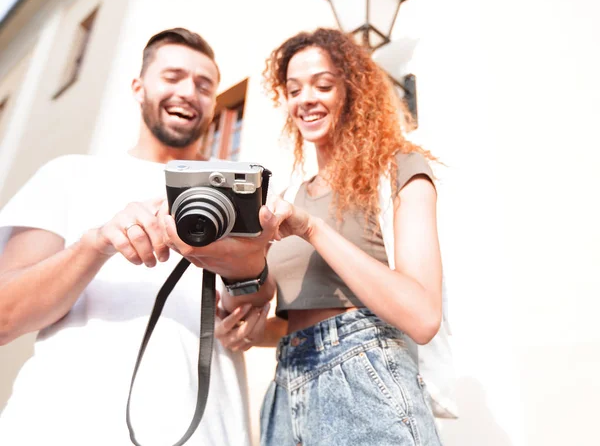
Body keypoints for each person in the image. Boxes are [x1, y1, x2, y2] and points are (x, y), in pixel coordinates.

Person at [0, 28, 275, 446]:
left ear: (213, 104)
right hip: (57, 427)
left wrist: (248, 275)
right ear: (138, 86)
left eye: (204, 85)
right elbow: (5, 316)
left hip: (203, 432)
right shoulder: (68, 175)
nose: (188, 91)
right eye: (173, 76)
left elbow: (252, 312)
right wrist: (96, 244)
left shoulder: (239, 192)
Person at [217, 28, 445, 445]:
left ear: (352, 91)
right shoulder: (287, 196)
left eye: (323, 85)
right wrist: (251, 331)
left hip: (366, 380)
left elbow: (423, 315)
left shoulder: (398, 169)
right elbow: (295, 323)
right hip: (287, 389)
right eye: (293, 89)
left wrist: (311, 229)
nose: (306, 99)